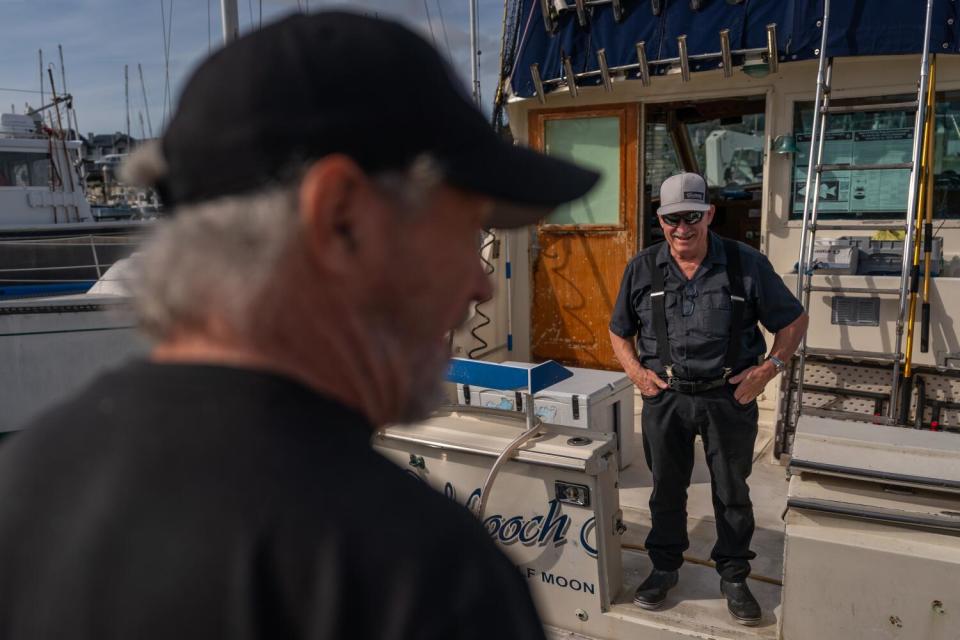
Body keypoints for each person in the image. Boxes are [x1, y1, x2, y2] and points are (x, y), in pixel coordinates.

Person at [0, 12, 600, 640]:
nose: (480, 287)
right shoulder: (417, 577)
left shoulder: (24, 483)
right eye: (466, 227)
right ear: (341, 221)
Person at [608, 173, 808, 626]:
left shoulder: (746, 263)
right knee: (666, 488)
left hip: (728, 398)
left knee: (732, 491)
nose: (683, 228)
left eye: (692, 217)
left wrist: (767, 371)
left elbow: (794, 320)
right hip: (666, 398)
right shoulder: (641, 268)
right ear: (660, 220)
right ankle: (664, 568)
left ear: (709, 215)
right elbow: (619, 331)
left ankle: (734, 575)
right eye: (672, 218)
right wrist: (638, 374)